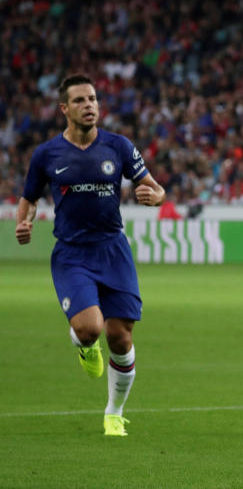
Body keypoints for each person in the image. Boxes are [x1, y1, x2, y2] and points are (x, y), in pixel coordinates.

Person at [15, 75, 166, 436]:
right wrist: (25, 222)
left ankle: (114, 412)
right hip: (72, 254)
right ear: (65, 108)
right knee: (89, 329)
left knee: (121, 338)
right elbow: (30, 198)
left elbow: (155, 188)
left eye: (94, 99)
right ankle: (84, 346)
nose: (90, 106)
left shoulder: (118, 146)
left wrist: (154, 197)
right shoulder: (47, 154)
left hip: (113, 250)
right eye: (81, 100)